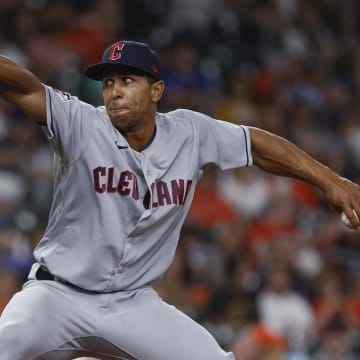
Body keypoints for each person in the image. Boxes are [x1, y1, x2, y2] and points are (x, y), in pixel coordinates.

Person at [0, 40, 359, 360]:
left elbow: (257, 145)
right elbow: (22, 87)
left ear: (156, 90)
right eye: (108, 82)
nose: (114, 92)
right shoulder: (80, 123)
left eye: (127, 81)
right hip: (58, 297)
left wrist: (330, 180)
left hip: (132, 303)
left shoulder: (189, 132)